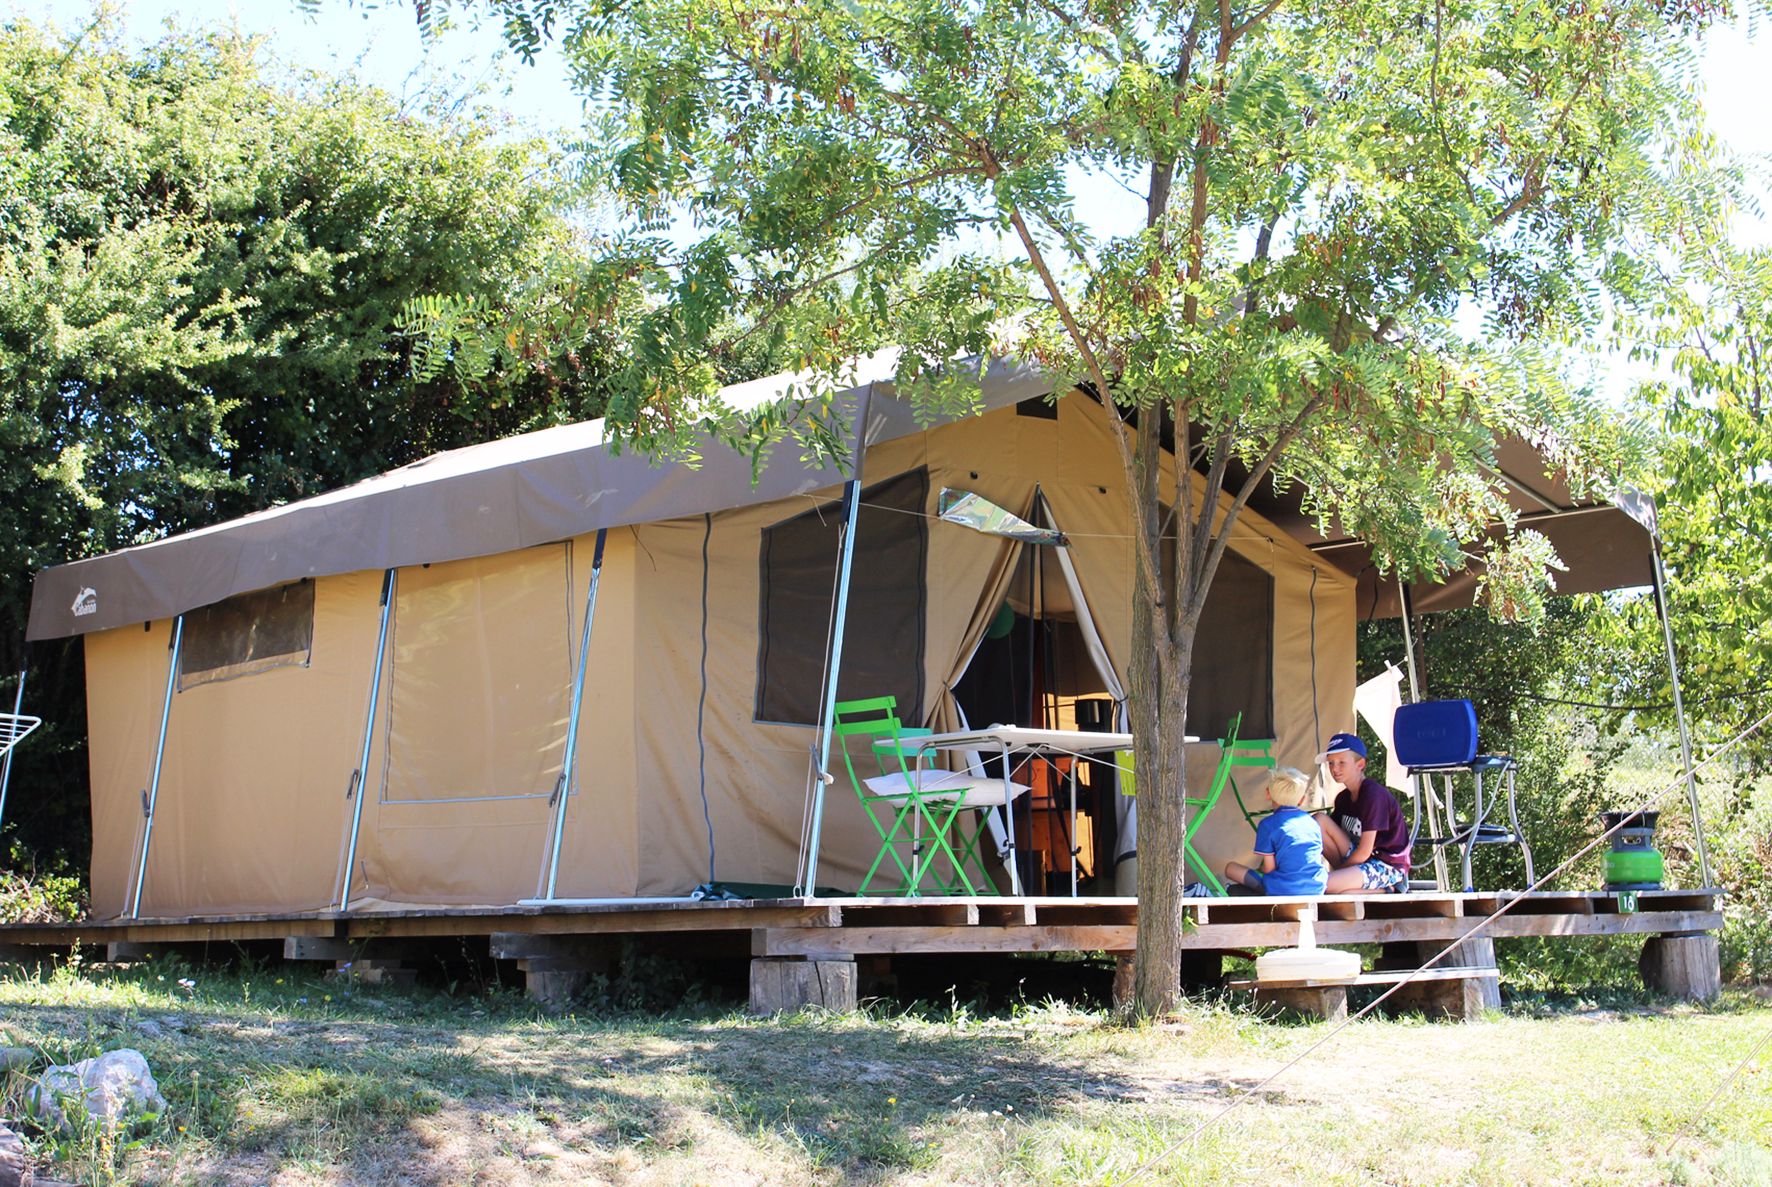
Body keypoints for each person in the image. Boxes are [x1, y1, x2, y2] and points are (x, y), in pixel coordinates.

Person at [1315, 732, 1411, 893]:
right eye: (1330, 763)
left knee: (1321, 886)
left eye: (1341, 762)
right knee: (1318, 820)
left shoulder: (1373, 795)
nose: (1334, 769)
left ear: (1360, 764)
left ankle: (1388, 890)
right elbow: (1332, 839)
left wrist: (1338, 874)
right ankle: (1345, 884)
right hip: (1359, 861)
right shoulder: (1343, 798)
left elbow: (1365, 851)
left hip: (1385, 864)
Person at [1224, 767, 1328, 896]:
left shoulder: (1268, 824)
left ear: (1268, 793)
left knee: (1231, 868)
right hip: (1317, 887)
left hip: (1284, 888)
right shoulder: (1313, 823)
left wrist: (1259, 872)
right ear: (1302, 800)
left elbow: (1269, 869)